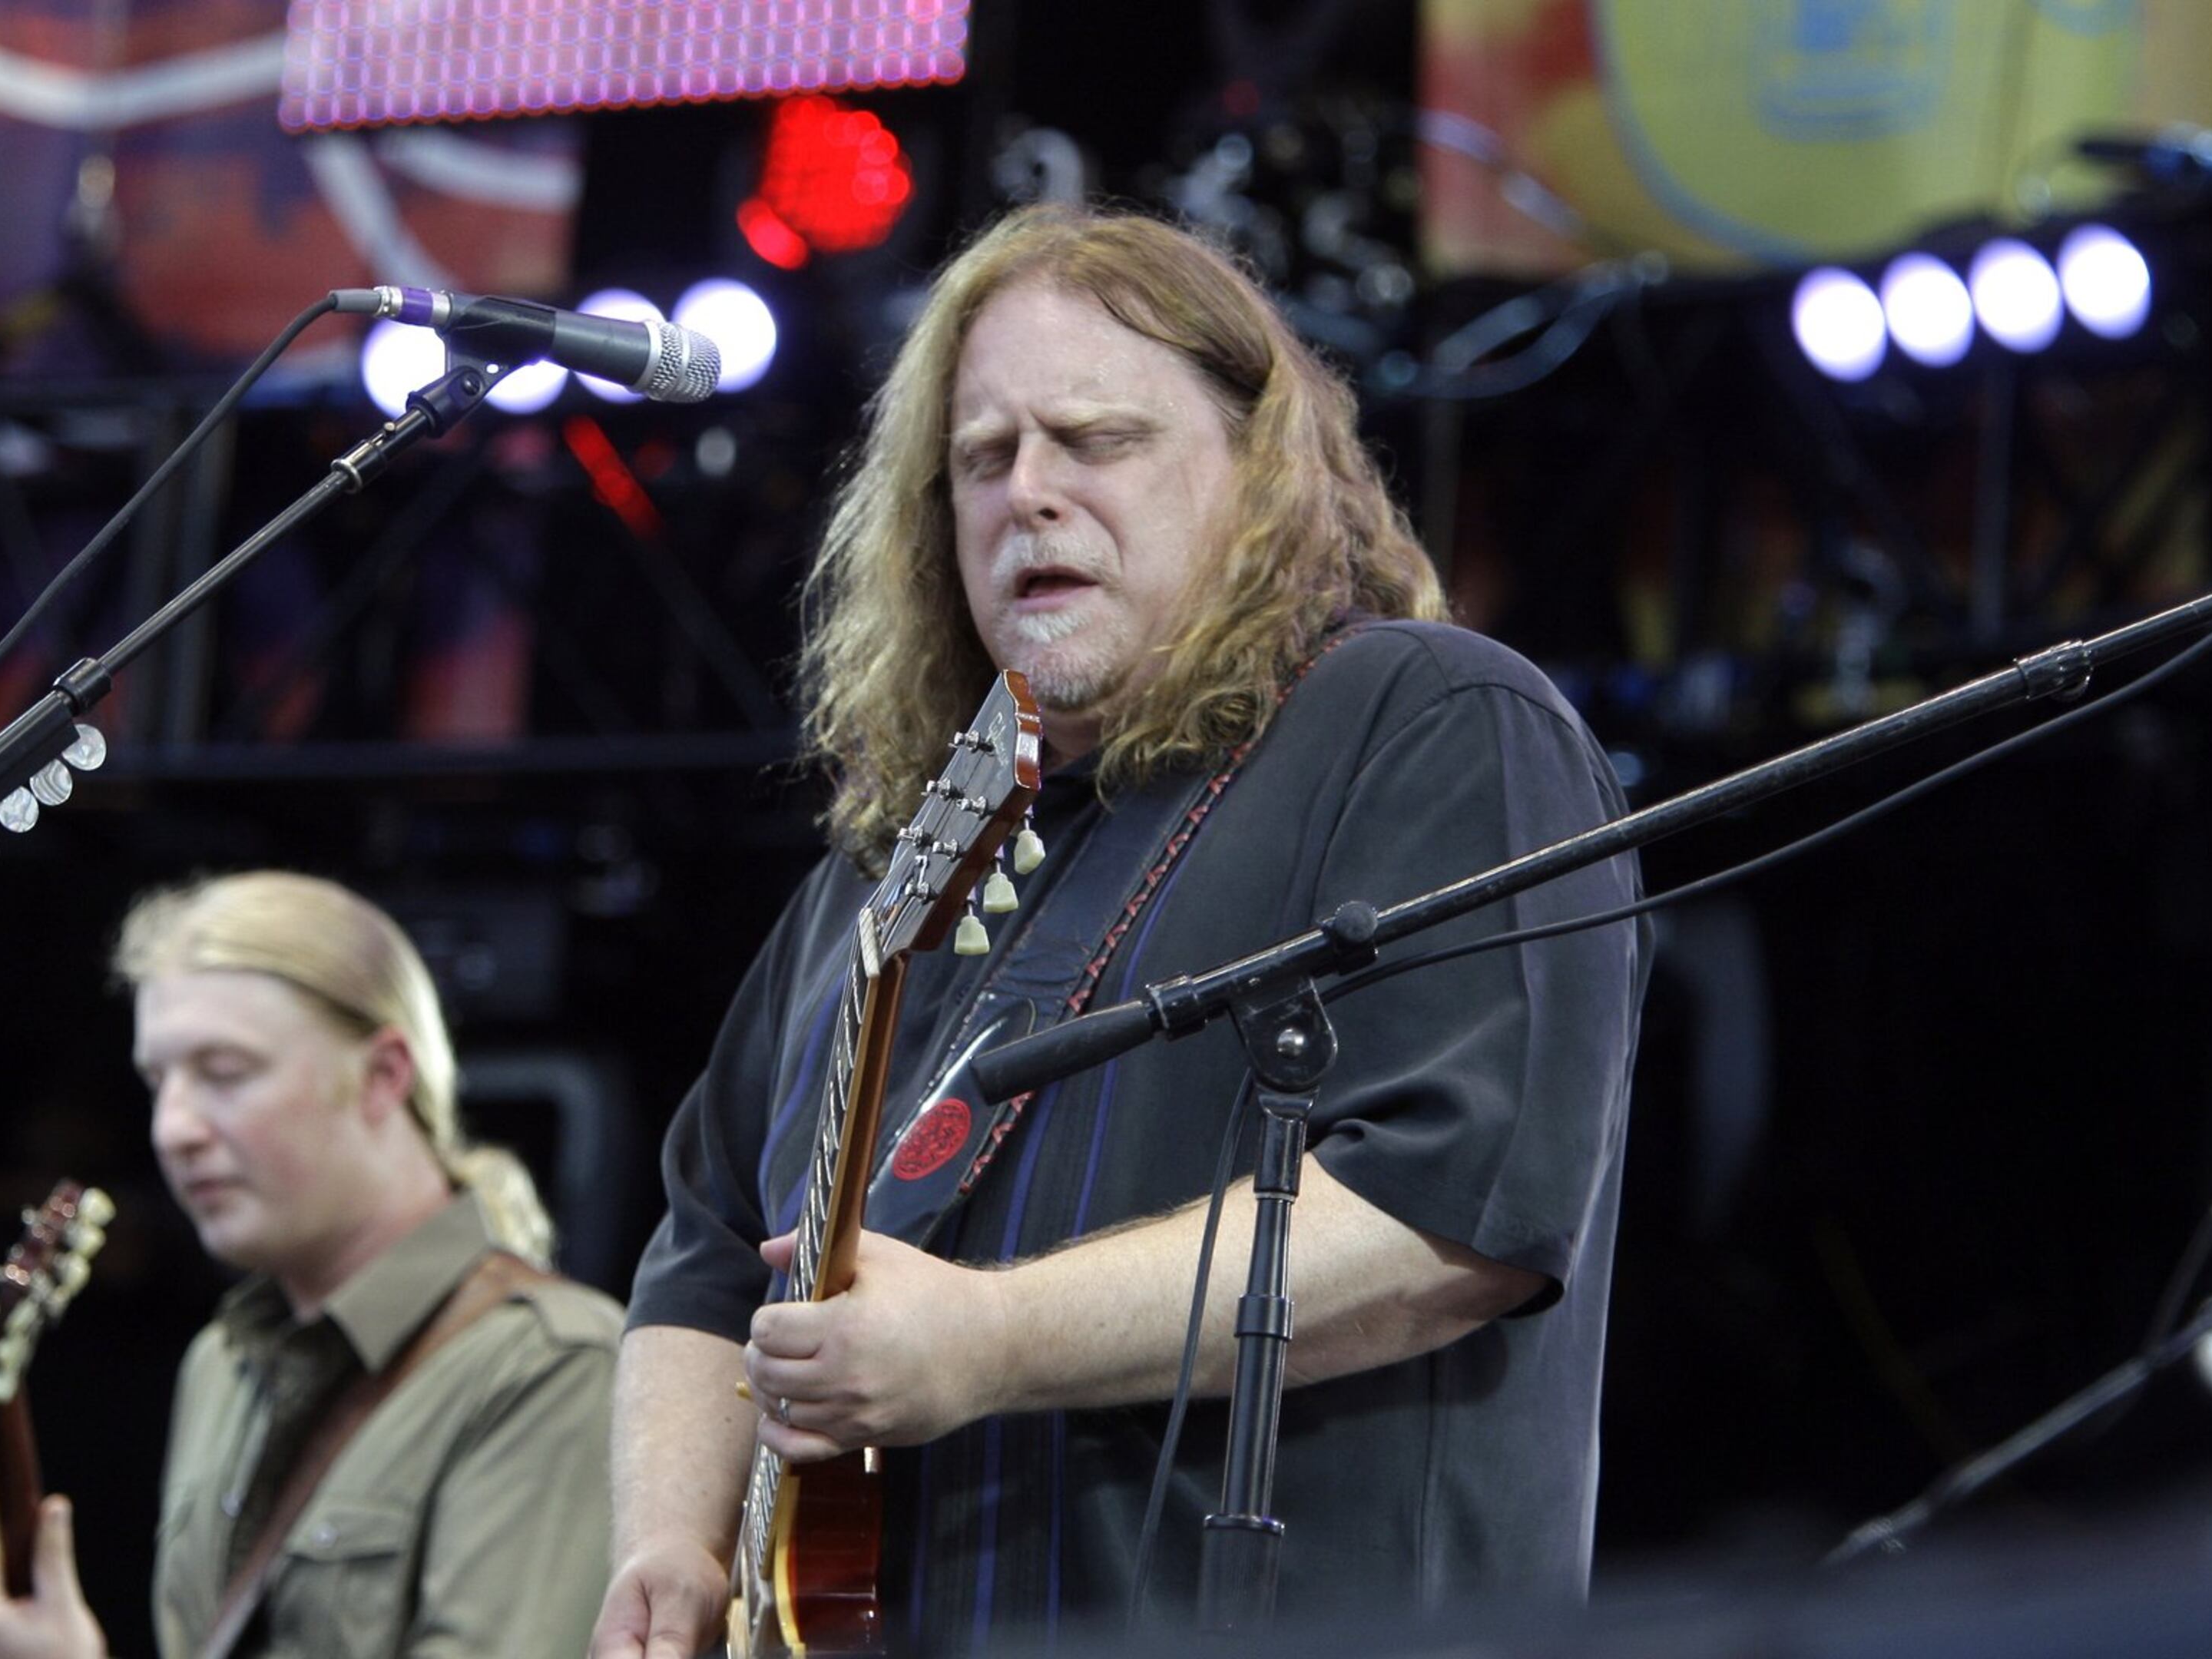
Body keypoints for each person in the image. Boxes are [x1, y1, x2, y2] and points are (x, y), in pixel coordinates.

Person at [591, 204, 1650, 1656]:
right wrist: (674, 1540)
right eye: (982, 459)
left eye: (1095, 439)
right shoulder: (888, 865)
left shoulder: (1431, 719)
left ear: (1260, 470)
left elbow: (1452, 1216)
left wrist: (988, 1341)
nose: (1028, 491)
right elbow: (711, 1255)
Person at [0, 870, 621, 1659]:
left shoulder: (552, 1364)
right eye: (158, 1082)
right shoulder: (221, 1363)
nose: (173, 1130)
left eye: (225, 1073)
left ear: (384, 1076)